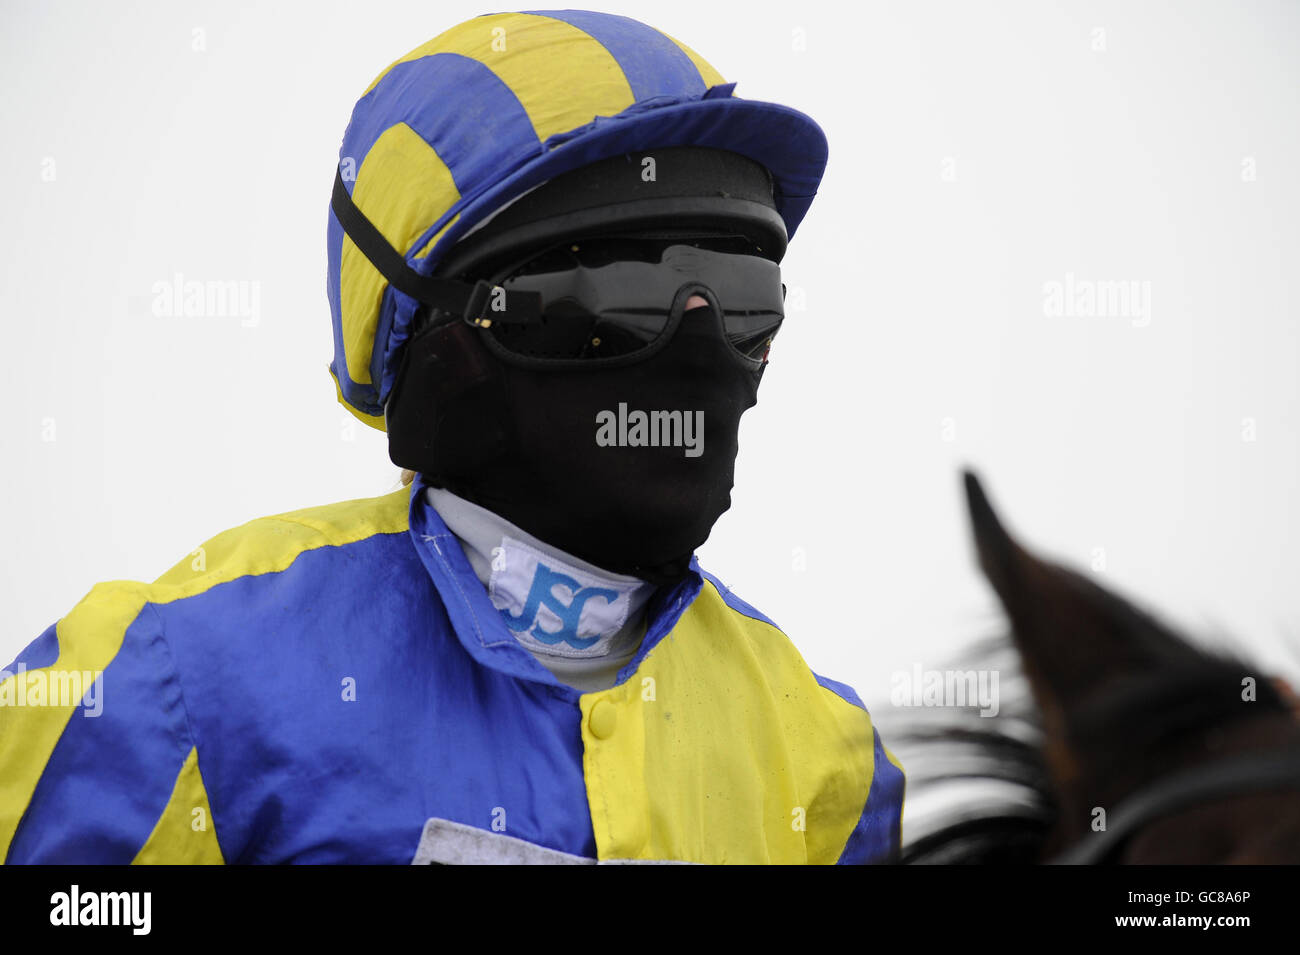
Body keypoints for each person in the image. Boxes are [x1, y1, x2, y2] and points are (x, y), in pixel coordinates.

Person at [1, 9, 904, 865]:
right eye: (618, 297)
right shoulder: (172, 676)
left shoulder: (832, 762)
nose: (699, 351)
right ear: (440, 350)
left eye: (745, 300)